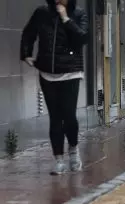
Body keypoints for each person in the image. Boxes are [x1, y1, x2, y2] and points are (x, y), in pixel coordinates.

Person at [20, 0, 88, 175]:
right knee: (55, 118)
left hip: (71, 72)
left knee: (69, 116)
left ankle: (73, 149)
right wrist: (26, 54)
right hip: (47, 73)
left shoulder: (79, 14)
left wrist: (66, 19)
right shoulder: (42, 13)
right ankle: (58, 160)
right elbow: (29, 33)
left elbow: (82, 38)